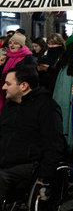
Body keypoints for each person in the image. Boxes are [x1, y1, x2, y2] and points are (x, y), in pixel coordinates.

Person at [0, 66, 64, 202]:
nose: (4, 87)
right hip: (6, 158)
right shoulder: (10, 106)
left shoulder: (47, 107)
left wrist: (44, 178)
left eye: (8, 84)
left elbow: (53, 145)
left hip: (29, 163)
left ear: (23, 86)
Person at [0, 33, 38, 111]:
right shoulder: (6, 58)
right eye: (10, 43)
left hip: (20, 94)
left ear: (21, 45)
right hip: (4, 91)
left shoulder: (29, 58)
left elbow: (31, 74)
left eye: (16, 43)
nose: (12, 45)